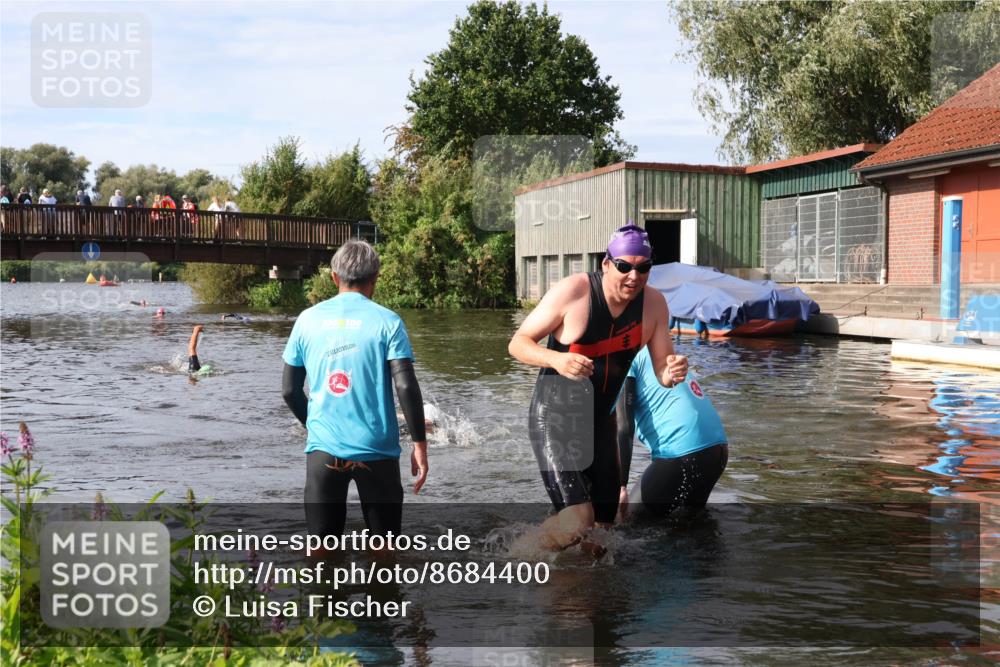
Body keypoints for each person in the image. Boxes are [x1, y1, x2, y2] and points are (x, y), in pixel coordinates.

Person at [508, 224, 688, 551]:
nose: (634, 276)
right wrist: (556, 359)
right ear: (606, 264)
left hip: (601, 423)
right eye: (624, 266)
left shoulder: (655, 305)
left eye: (643, 268)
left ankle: (582, 594)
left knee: (603, 532)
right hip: (556, 419)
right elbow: (517, 343)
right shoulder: (574, 292)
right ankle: (520, 553)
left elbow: (663, 370)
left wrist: (673, 371)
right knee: (579, 521)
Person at [282, 240, 428, 539]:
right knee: (385, 549)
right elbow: (404, 384)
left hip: (324, 452)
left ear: (334, 278)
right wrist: (420, 445)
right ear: (375, 277)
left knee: (321, 549)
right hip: (376, 451)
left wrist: (314, 425)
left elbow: (289, 390)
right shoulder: (389, 322)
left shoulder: (307, 320)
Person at [615, 347, 728, 521]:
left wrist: (620, 486)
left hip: (684, 449)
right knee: (692, 526)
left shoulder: (622, 355)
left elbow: (624, 427)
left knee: (629, 523)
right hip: (718, 449)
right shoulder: (655, 348)